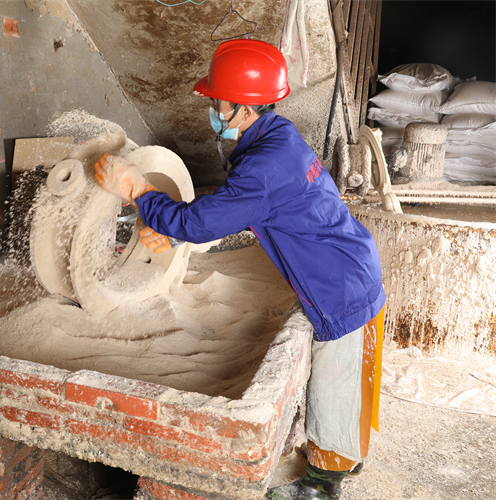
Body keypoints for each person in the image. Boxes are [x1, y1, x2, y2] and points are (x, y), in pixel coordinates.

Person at [94, 39, 386, 500]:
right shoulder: (279, 136)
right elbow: (245, 208)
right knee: (355, 376)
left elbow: (205, 219)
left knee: (332, 384)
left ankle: (322, 485)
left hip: (335, 285)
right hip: (353, 261)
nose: (213, 109)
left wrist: (140, 191)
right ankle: (349, 453)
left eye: (218, 102)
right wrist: (173, 234)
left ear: (244, 109)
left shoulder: (263, 166)